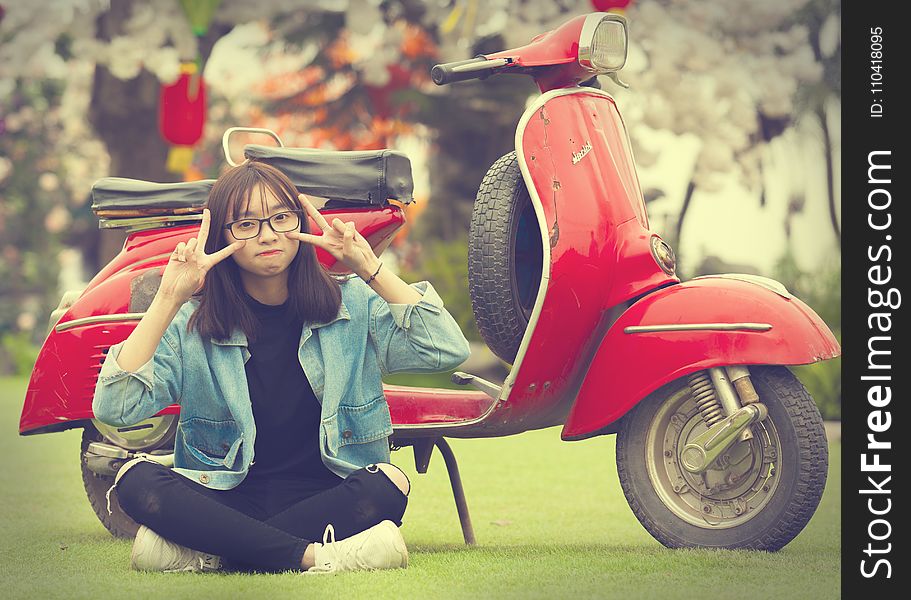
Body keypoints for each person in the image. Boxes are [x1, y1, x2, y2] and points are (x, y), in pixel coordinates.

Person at [92, 160, 471, 574]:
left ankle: (213, 554)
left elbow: (445, 349)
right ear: (222, 236)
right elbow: (115, 408)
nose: (268, 234)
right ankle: (316, 557)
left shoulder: (354, 304)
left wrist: (370, 268)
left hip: (329, 491)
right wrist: (168, 298)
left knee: (388, 484)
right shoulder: (193, 323)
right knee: (134, 480)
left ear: (299, 220)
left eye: (280, 218)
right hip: (225, 494)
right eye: (246, 224)